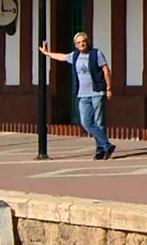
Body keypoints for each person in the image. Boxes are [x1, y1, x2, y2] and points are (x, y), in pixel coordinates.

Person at [38, 31, 114, 159]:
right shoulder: (75, 56)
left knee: (99, 122)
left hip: (97, 92)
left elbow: (106, 71)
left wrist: (108, 88)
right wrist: (47, 53)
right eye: (79, 43)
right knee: (86, 122)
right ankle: (107, 145)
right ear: (76, 45)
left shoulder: (96, 54)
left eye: (83, 41)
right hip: (82, 94)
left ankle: (101, 150)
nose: (82, 44)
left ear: (87, 42)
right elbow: (62, 57)